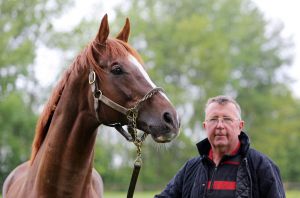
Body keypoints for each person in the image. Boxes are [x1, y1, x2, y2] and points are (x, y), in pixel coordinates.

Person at [155, 95, 285, 198]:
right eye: (213, 119)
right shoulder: (191, 168)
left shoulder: (261, 166)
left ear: (240, 126)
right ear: (205, 126)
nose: (220, 125)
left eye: (227, 119)